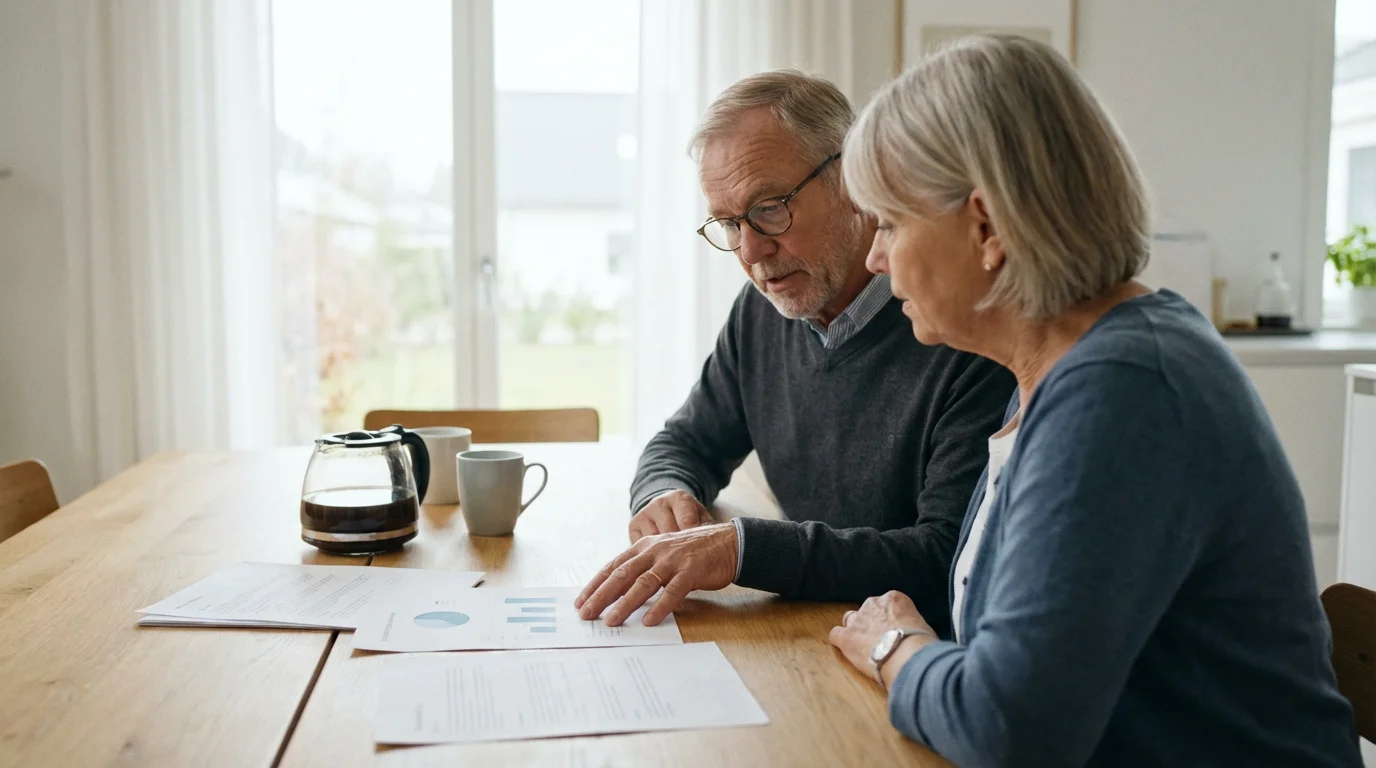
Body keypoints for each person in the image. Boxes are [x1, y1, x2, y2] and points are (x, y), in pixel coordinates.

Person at [825, 34, 1361, 767]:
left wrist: (894, 648)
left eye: (888, 223)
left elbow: (1009, 728)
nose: (874, 259)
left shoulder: (1126, 391)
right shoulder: (1062, 370)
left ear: (986, 226)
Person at [575, 71, 1015, 634]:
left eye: (769, 208)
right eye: (730, 223)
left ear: (851, 179)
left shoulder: (956, 329)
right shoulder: (763, 309)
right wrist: (666, 495)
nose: (753, 251)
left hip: (905, 655)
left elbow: (944, 560)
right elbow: (687, 440)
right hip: (813, 635)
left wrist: (741, 549)